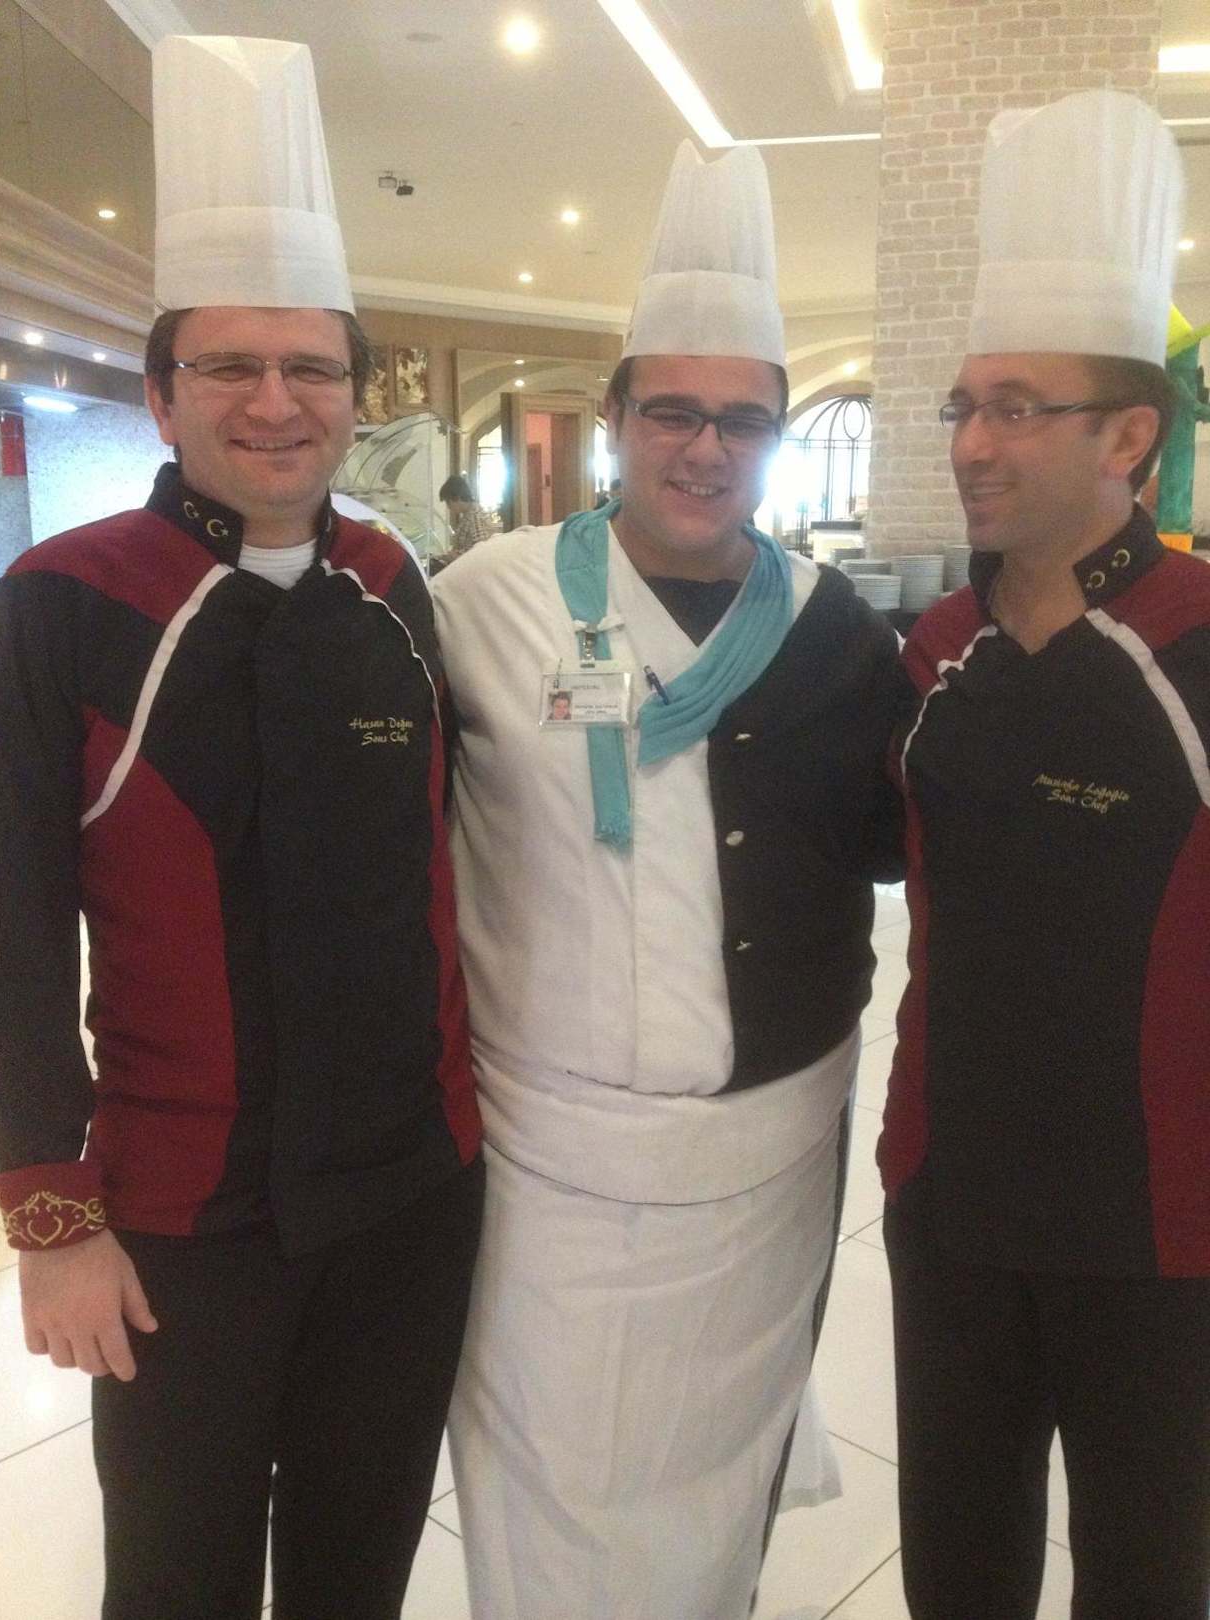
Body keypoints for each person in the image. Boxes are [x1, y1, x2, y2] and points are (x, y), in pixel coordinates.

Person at [0, 37, 481, 1620]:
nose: (275, 403)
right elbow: (10, 928)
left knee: (359, 1571)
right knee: (176, 1586)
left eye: (312, 370)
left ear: (354, 393)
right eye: (227, 368)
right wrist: (50, 1220)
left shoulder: (393, 588)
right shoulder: (64, 600)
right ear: (160, 394)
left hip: (410, 1197)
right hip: (182, 1217)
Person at [433, 140, 903, 1620]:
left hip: (768, 1154)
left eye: (743, 421)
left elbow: (900, 837)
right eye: (674, 414)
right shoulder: (481, 604)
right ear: (618, 419)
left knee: (713, 1470)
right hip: (549, 1156)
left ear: (775, 440)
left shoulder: (834, 629)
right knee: (549, 1468)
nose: (706, 450)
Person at [878, 91, 1210, 1620]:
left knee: (1143, 1577)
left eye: (1014, 407)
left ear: (1126, 436)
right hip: (946, 1197)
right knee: (955, 1570)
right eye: (961, 406)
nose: (970, 442)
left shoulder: (1192, 644)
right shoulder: (931, 648)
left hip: (1160, 1225)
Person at [439, 473, 492, 556]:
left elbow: (480, 551)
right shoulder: (468, 514)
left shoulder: (475, 518)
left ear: (457, 498)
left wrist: (455, 555)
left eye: (448, 502)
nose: (448, 507)